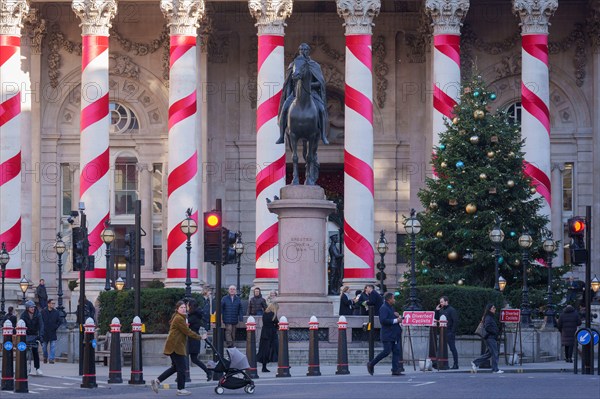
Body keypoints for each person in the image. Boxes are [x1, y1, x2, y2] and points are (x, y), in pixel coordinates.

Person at [151, 300, 207, 396]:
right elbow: (187, 332)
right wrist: (200, 337)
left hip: (176, 346)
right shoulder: (178, 319)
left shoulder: (181, 317)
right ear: (177, 309)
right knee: (182, 368)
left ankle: (157, 381)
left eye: (185, 307)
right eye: (181, 308)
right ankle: (180, 389)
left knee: (175, 368)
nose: (183, 309)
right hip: (175, 347)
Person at [277, 43, 328, 145]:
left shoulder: (314, 65)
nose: (303, 52)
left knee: (321, 109)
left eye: (305, 50)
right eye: (301, 50)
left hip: (312, 93)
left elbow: (320, 82)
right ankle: (282, 136)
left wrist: (309, 85)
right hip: (295, 93)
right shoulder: (294, 65)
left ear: (309, 51)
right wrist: (291, 91)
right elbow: (289, 82)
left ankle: (323, 135)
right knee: (284, 109)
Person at [367, 292, 403, 376]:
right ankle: (371, 364)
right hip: (387, 334)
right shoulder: (383, 308)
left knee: (396, 351)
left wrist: (397, 317)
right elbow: (383, 321)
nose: (394, 300)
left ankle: (395, 369)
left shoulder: (390, 307)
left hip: (394, 334)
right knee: (386, 351)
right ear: (389, 299)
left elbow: (391, 317)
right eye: (393, 298)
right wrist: (396, 320)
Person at [471, 303, 503, 374]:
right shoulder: (488, 317)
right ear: (490, 309)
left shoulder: (489, 317)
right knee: (495, 353)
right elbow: (487, 327)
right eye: (493, 308)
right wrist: (495, 331)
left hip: (490, 337)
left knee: (489, 354)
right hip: (490, 337)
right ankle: (495, 369)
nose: (495, 309)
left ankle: (475, 362)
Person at [186, 299, 212, 381]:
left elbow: (186, 325)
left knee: (193, 359)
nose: (186, 307)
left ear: (190, 306)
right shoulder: (195, 315)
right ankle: (208, 372)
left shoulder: (193, 317)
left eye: (187, 305)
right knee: (193, 359)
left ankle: (208, 372)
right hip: (192, 339)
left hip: (192, 340)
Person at [21, 300, 44, 375]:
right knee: (23, 351)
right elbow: (21, 325)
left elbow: (41, 325)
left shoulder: (38, 314)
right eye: (31, 307)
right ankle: (23, 367)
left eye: (33, 307)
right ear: (27, 308)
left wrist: (41, 336)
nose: (33, 308)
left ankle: (37, 368)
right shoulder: (23, 315)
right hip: (26, 334)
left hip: (34, 334)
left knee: (35, 351)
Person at [435, 296, 459, 369]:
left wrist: (452, 332)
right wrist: (436, 310)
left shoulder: (451, 310)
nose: (441, 303)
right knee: (440, 348)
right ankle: (440, 364)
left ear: (446, 301)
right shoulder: (441, 310)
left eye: (442, 302)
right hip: (442, 332)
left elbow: (455, 321)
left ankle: (456, 364)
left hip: (449, 332)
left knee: (452, 348)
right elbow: (436, 319)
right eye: (440, 302)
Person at [256, 302, 279, 372]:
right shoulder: (273, 314)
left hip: (264, 333)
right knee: (277, 349)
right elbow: (277, 323)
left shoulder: (265, 314)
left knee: (264, 350)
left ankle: (264, 367)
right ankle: (283, 363)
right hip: (272, 334)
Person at [41, 299, 61, 364]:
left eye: (54, 303)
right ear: (48, 304)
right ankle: (45, 357)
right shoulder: (43, 311)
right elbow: (40, 321)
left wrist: (55, 326)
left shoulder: (56, 312)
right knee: (44, 347)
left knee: (53, 346)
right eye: (52, 303)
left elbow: (59, 321)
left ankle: (51, 359)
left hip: (52, 331)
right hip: (45, 332)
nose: (53, 305)